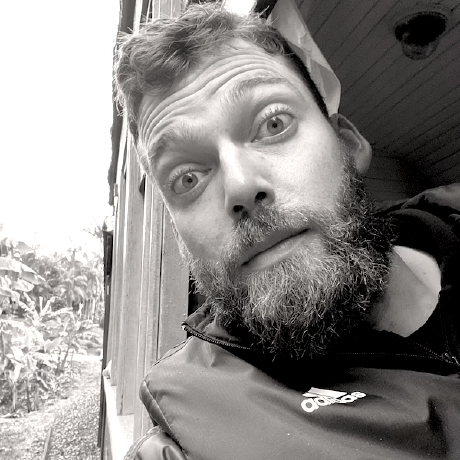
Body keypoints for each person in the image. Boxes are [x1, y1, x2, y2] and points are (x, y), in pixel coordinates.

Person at [114, 3, 460, 459]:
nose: (240, 186)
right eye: (187, 178)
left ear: (347, 144)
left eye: (273, 124)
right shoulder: (189, 440)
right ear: (180, 239)